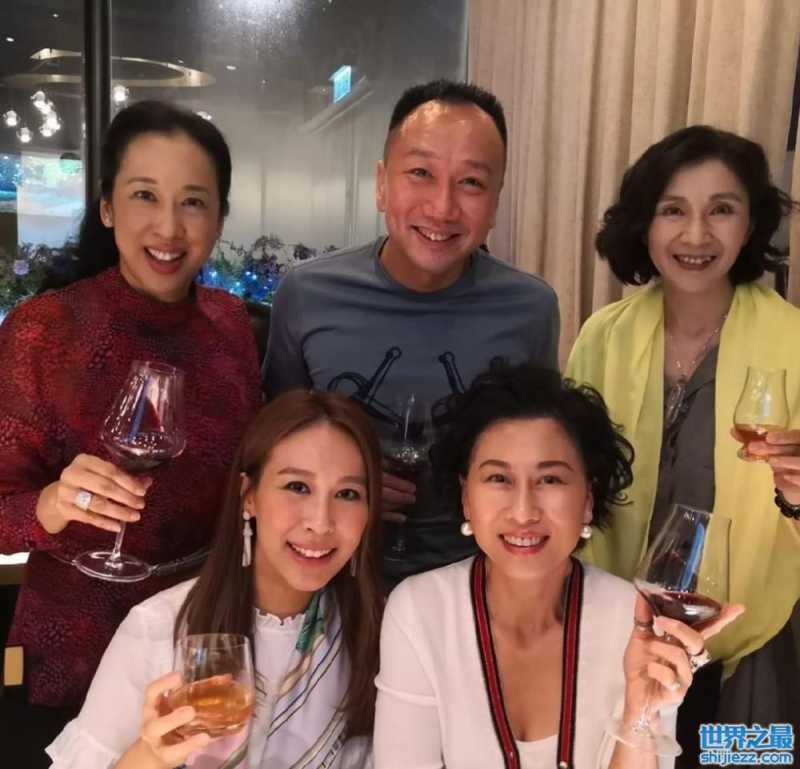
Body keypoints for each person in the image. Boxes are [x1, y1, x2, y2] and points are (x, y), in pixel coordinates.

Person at [0, 100, 262, 737]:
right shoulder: (43, 330)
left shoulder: (232, 325)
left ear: (220, 217)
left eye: (193, 202)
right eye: (145, 195)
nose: (169, 227)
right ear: (108, 207)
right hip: (76, 646)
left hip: (197, 641)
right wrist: (52, 504)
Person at [373, 362, 743, 769]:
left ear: (587, 499)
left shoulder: (636, 621)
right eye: (498, 479)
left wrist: (642, 713)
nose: (523, 511)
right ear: (466, 497)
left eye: (550, 480)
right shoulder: (421, 610)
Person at [263, 79, 559, 584]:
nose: (442, 207)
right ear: (382, 184)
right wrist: (351, 486)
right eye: (420, 173)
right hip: (332, 573)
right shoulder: (307, 294)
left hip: (477, 579)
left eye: (471, 182)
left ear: (495, 202)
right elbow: (275, 443)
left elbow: (537, 453)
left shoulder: (530, 308)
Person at [565, 125, 800, 756]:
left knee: (741, 756)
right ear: (644, 224)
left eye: (721, 210)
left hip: (755, 639)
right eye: (673, 210)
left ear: (751, 226)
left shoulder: (794, 343)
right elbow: (572, 477)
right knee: (625, 756)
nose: (696, 235)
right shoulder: (603, 337)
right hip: (622, 631)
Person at [47, 390, 383, 769]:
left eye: (348, 494)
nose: (320, 522)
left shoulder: (384, 635)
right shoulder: (158, 628)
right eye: (297, 487)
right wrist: (150, 756)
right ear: (248, 496)